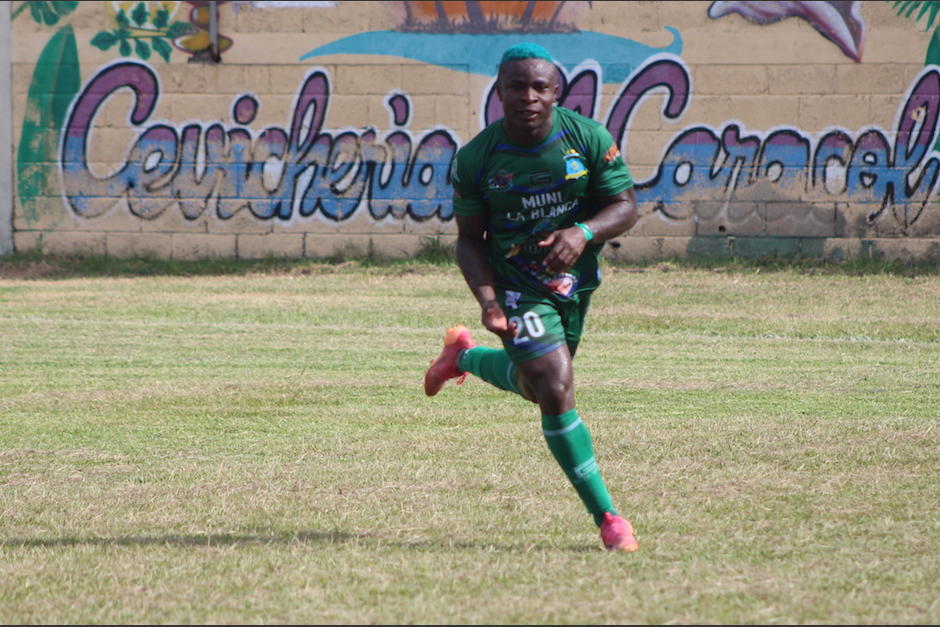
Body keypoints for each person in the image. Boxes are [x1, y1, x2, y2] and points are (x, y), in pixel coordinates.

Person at [423, 43, 641, 552]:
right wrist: (491, 303)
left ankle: (464, 357)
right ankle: (609, 519)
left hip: (575, 284)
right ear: (498, 92)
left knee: (532, 385)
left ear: (556, 92)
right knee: (555, 387)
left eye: (539, 86)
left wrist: (582, 233)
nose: (528, 96)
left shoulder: (586, 138)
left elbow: (625, 205)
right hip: (518, 289)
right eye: (516, 86)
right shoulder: (477, 159)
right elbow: (468, 240)